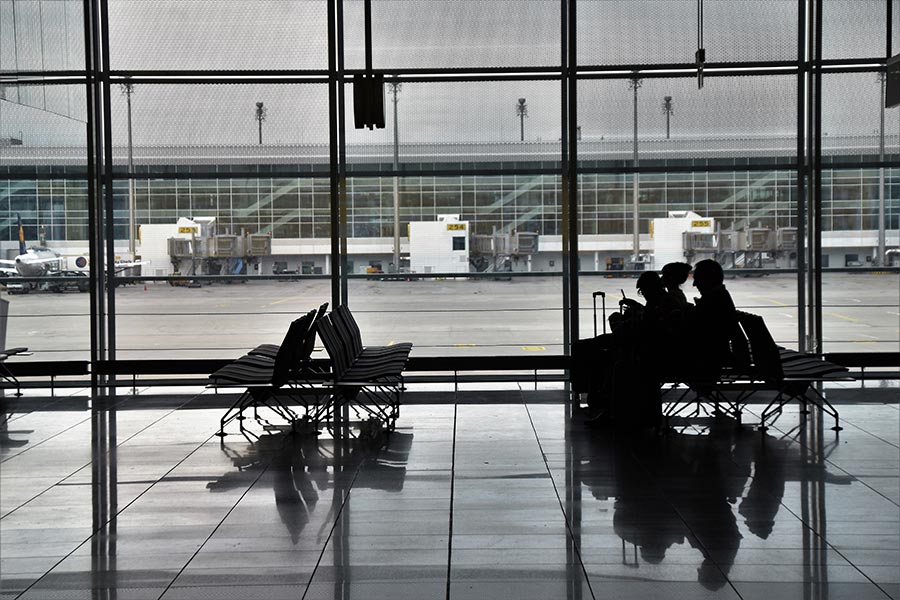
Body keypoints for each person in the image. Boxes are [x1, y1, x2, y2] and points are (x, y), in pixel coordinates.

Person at [687, 259, 738, 384]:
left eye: (697, 279)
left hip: (707, 359)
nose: (694, 284)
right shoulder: (720, 297)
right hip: (712, 356)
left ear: (707, 279)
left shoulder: (712, 301)